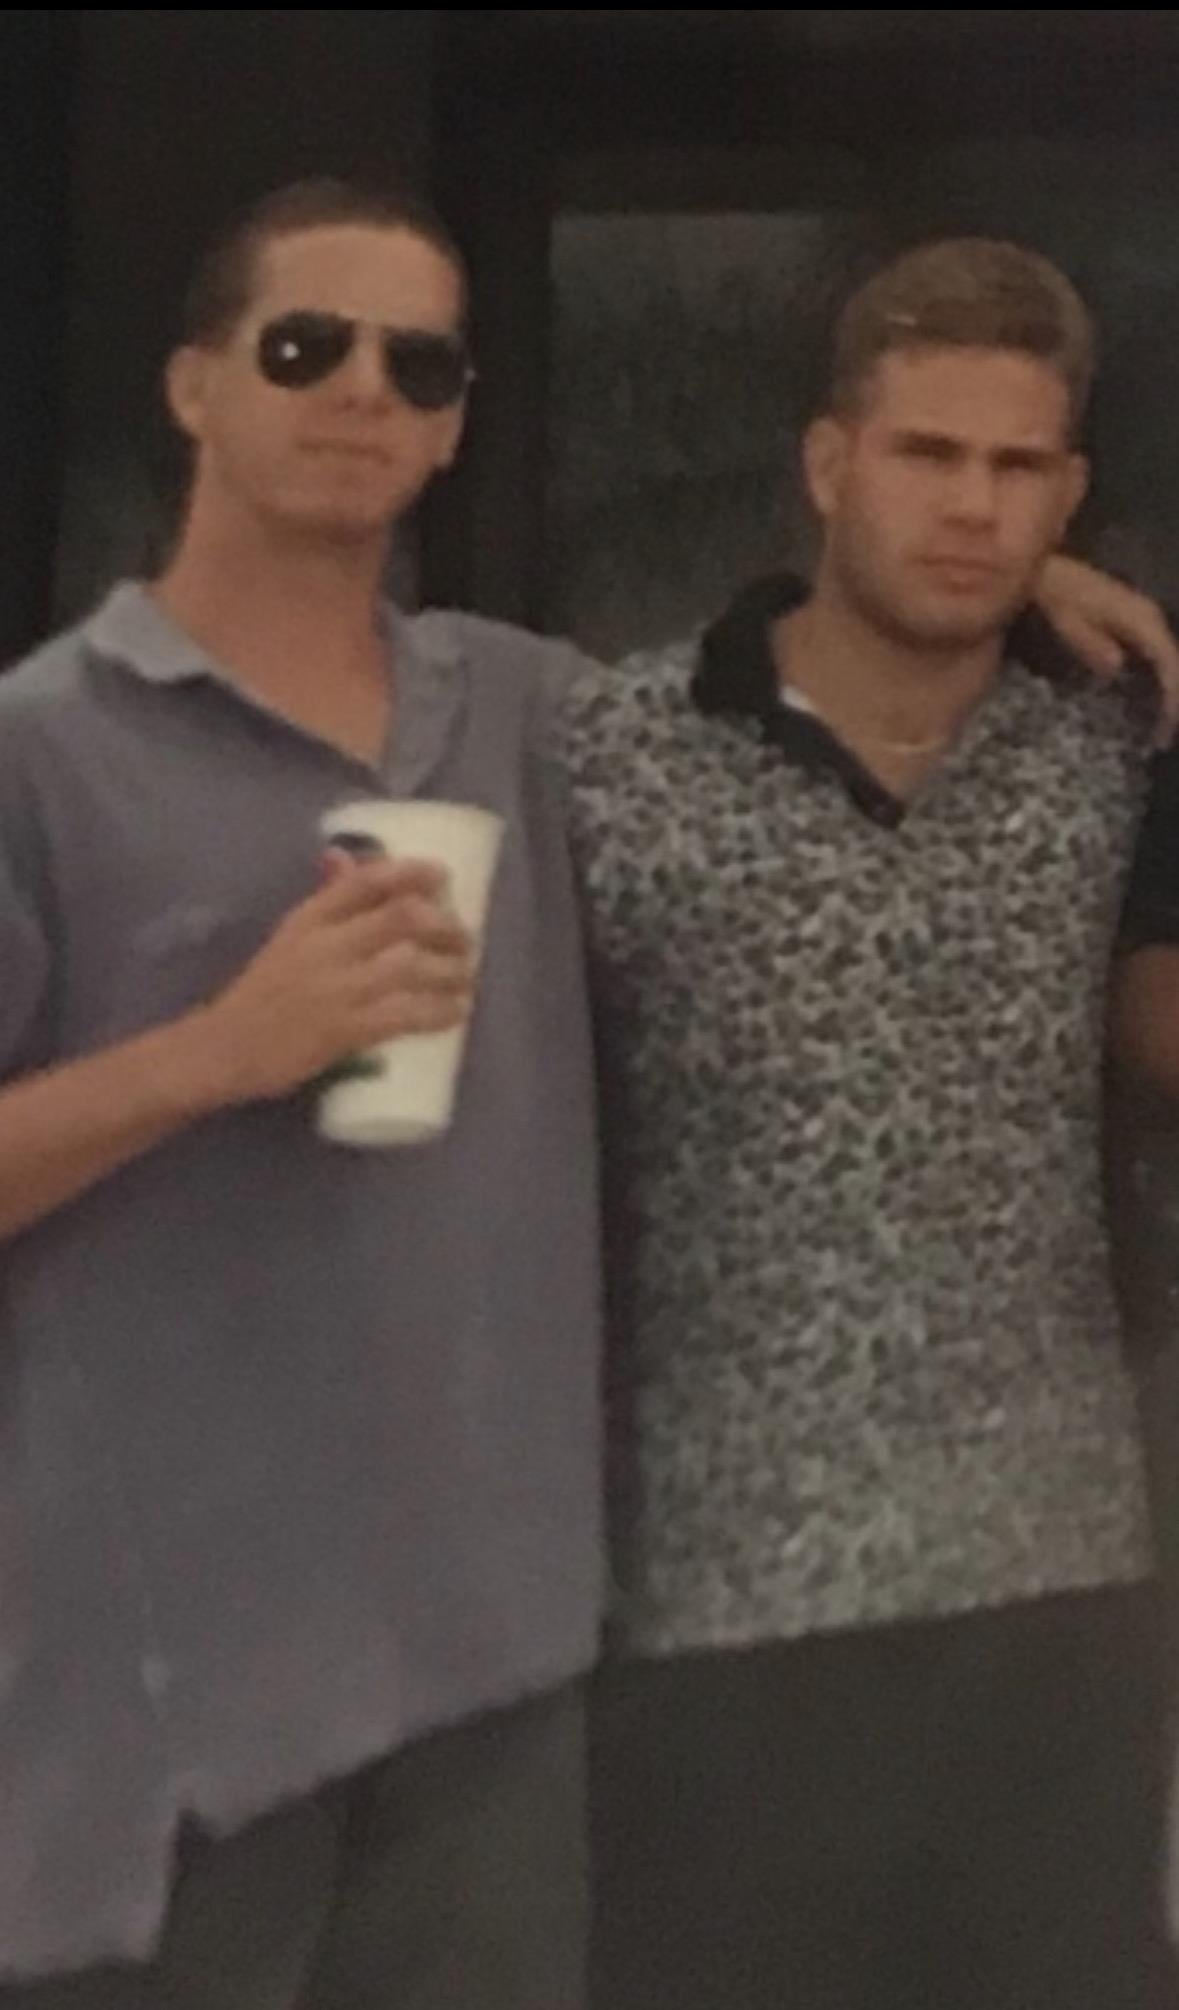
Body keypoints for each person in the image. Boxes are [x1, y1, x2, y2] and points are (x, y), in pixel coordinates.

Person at [0, 178, 601, 2006]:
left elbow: (828, 694)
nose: (360, 389)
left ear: (453, 425)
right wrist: (222, 1049)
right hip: (167, 1689)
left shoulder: (520, 711)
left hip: (487, 1656)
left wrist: (1040, 579)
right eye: (302, 344)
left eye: (414, 360)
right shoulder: (44, 744)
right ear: (193, 387)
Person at [560, 238, 1179, 2010]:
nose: (972, 506)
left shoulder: (1115, 742)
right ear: (829, 464)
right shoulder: (612, 751)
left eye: (1015, 468)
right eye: (926, 456)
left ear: (1066, 489)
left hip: (1058, 1594)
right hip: (714, 1608)